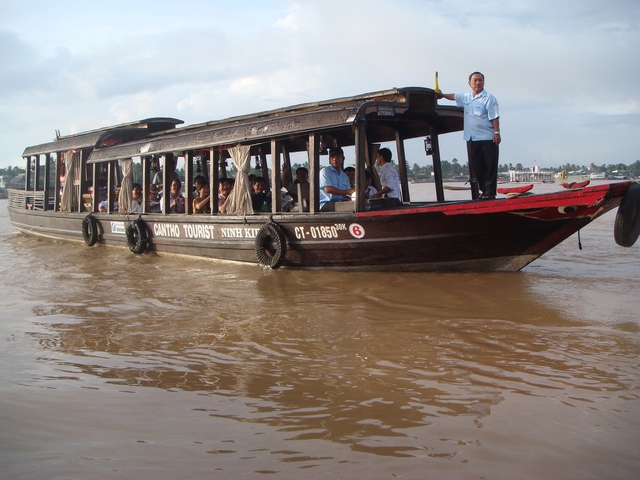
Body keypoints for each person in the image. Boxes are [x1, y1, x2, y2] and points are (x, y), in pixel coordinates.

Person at [438, 71, 501, 199]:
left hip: (488, 138)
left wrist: (497, 132)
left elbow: (494, 117)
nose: (478, 82)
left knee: (490, 166)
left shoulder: (489, 98)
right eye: (475, 80)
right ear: (469, 83)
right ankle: (484, 190)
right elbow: (454, 96)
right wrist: (441, 95)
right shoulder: (466, 96)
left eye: (480, 80)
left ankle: (490, 193)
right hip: (473, 138)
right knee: (477, 166)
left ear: (483, 82)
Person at [319, 147, 355, 211]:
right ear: (329, 159)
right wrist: (347, 191)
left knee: (356, 206)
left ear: (343, 159)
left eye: (338, 157)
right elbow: (328, 189)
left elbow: (348, 194)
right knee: (348, 208)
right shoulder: (325, 172)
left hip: (340, 203)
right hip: (326, 204)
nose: (335, 159)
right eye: (332, 157)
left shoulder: (344, 176)